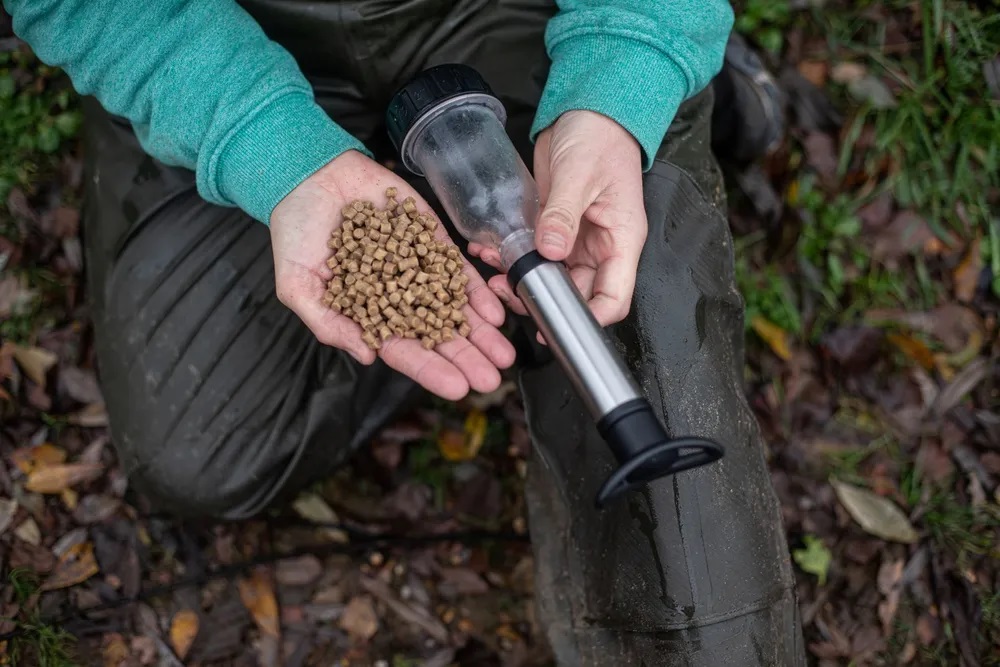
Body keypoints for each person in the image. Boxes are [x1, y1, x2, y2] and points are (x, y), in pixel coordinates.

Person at [4, 0, 805, 664]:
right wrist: (263, 146)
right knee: (202, 452)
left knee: (683, 503)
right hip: (213, 35)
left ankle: (672, 71)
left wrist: (627, 64)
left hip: (517, 17)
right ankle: (445, 213)